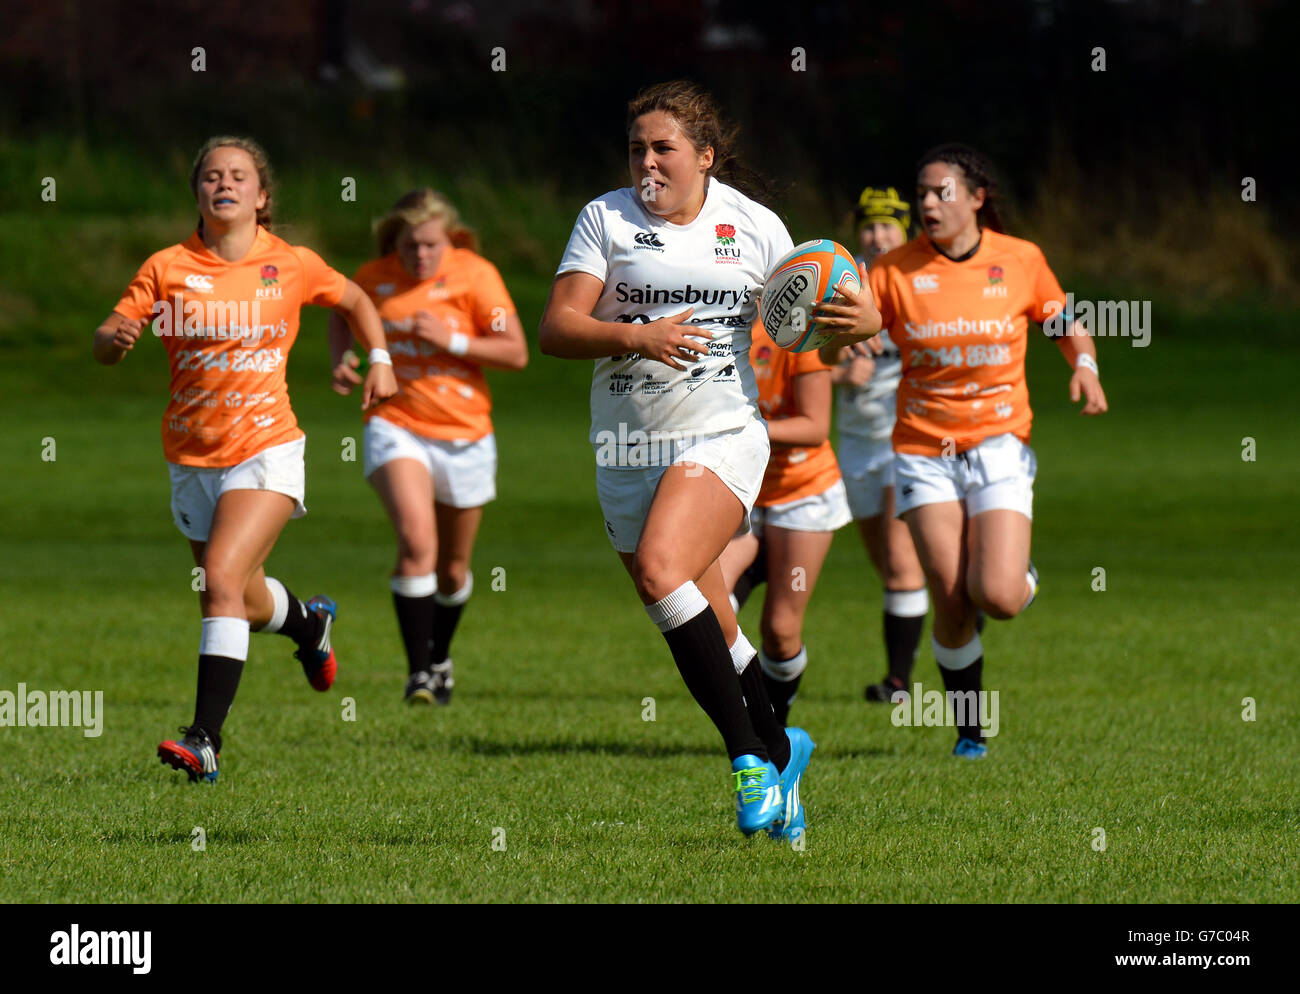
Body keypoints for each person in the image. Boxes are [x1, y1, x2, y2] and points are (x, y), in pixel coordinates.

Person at [539, 80, 880, 838]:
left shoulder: (753, 227)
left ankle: (748, 763)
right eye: (637, 149)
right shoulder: (606, 219)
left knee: (665, 570)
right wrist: (636, 335)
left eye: (663, 148)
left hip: (722, 432)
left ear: (705, 155)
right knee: (702, 616)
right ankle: (784, 748)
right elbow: (557, 328)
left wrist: (864, 316)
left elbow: (815, 316)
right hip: (627, 445)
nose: (647, 163)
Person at [93, 135, 397, 782]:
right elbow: (108, 338)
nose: (222, 183)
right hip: (189, 454)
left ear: (261, 197)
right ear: (198, 193)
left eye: (237, 175)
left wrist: (381, 362)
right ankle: (309, 626)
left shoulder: (289, 262)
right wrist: (113, 340)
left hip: (266, 448)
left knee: (220, 588)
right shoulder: (168, 265)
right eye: (210, 176)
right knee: (242, 594)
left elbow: (355, 301)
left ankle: (205, 740)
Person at [819, 144, 1108, 758]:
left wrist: (1084, 366)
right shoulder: (894, 270)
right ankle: (970, 732)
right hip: (924, 450)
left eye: (940, 192)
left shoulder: (1020, 259)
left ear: (977, 198)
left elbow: (1064, 322)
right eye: (921, 192)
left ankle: (1017, 576)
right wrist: (836, 344)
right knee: (949, 597)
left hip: (1000, 444)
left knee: (996, 597)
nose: (927, 202)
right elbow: (840, 340)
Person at [328, 189, 528, 704]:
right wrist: (342, 357)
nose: (420, 255)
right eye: (410, 245)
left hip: (466, 434)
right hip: (395, 422)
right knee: (417, 543)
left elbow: (516, 352)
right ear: (394, 239)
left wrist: (451, 341)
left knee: (453, 568)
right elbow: (339, 309)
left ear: (449, 238)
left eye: (431, 245)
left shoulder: (477, 274)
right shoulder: (373, 277)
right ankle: (419, 674)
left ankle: (439, 656)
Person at [719, 317, 852, 727]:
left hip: (802, 493)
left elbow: (814, 427)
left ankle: (772, 727)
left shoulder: (800, 333)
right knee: (705, 611)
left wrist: (745, 430)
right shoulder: (717, 326)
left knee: (779, 630)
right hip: (739, 488)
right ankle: (750, 724)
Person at [830, 186, 930, 704]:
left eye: (888, 225)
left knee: (898, 554)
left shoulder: (919, 282)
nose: (877, 234)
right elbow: (801, 363)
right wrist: (840, 372)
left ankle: (897, 684)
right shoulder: (840, 284)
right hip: (854, 442)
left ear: (906, 229)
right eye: (869, 225)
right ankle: (960, 593)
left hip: (904, 439)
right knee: (888, 564)